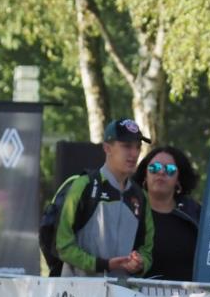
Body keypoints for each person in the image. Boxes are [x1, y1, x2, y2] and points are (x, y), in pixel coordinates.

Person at [55, 118, 154, 277]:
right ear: (107, 148)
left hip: (123, 290)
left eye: (138, 147)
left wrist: (140, 263)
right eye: (127, 146)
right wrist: (102, 265)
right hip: (79, 289)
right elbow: (63, 246)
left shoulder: (140, 196)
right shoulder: (84, 185)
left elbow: (147, 251)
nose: (134, 153)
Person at [133, 145, 201, 281]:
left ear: (178, 179)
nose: (161, 172)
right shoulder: (130, 212)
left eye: (170, 169)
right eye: (154, 168)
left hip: (189, 293)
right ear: (145, 175)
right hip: (136, 293)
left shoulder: (195, 214)